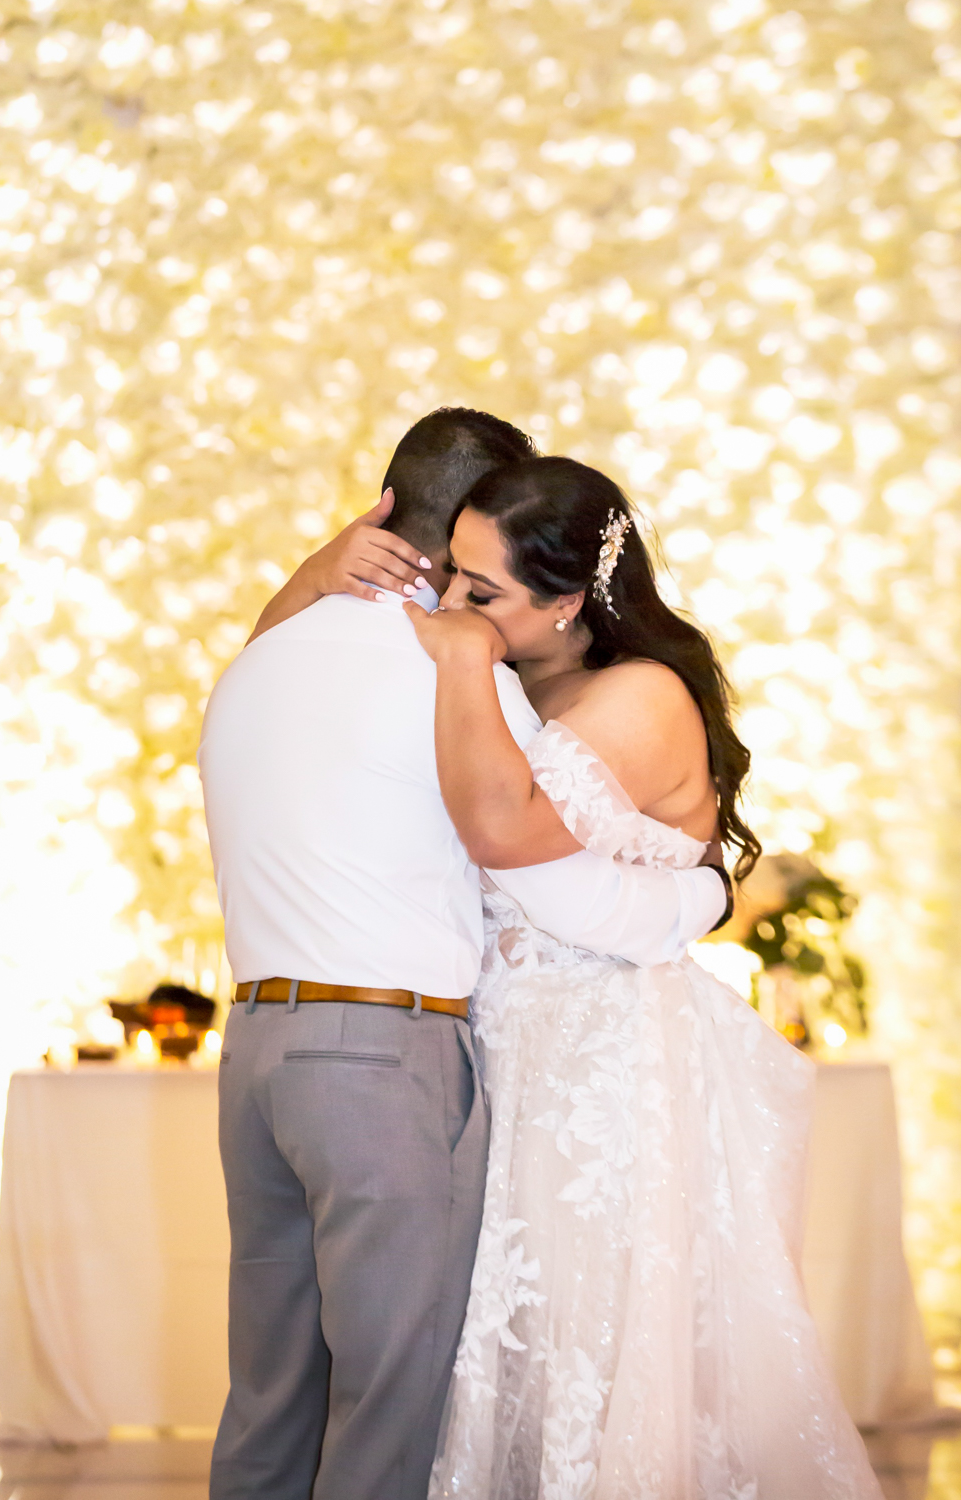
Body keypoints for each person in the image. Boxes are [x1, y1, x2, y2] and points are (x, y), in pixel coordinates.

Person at [198, 410, 730, 1500]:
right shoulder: (460, 674)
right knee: (392, 1401)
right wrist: (700, 896)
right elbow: (538, 869)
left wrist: (310, 570)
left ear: (385, 509)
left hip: (252, 1047)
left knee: (269, 1395)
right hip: (381, 1061)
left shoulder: (259, 662)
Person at [402, 456, 882, 1499]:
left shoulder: (637, 693)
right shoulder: (518, 679)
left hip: (594, 1068)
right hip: (508, 1050)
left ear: (569, 602)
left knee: (590, 1334)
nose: (451, 606)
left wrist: (446, 664)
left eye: (482, 593)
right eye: (451, 576)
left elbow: (496, 834)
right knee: (505, 1331)